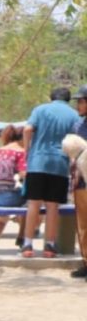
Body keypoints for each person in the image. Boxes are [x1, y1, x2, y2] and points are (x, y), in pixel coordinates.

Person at [22, 87, 79, 258]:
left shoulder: (40, 110)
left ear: (51, 97)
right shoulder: (73, 115)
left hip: (37, 162)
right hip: (60, 164)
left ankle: (27, 244)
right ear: (68, 99)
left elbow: (27, 130)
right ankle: (50, 245)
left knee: (33, 204)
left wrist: (27, 151)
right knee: (53, 206)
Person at [0, 124, 27, 250]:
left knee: (2, 218)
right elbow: (24, 174)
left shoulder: (0, 149)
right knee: (32, 204)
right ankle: (21, 238)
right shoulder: (20, 152)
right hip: (8, 198)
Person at [69, 85, 87, 279]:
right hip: (80, 182)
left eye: (81, 101)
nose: (78, 105)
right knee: (83, 225)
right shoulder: (78, 126)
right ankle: (86, 261)